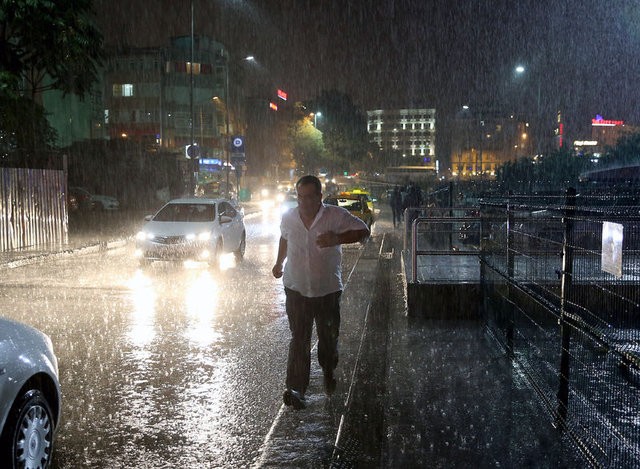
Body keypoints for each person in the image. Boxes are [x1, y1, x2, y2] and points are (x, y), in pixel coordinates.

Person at [272, 175, 370, 410]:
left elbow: (363, 231)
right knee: (299, 339)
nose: (304, 202)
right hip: (296, 288)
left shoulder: (335, 215)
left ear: (319, 196)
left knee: (327, 340)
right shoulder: (288, 217)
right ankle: (296, 389)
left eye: (310, 197)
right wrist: (278, 263)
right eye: (300, 197)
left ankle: (328, 371)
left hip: (327, 291)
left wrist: (337, 238)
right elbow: (284, 238)